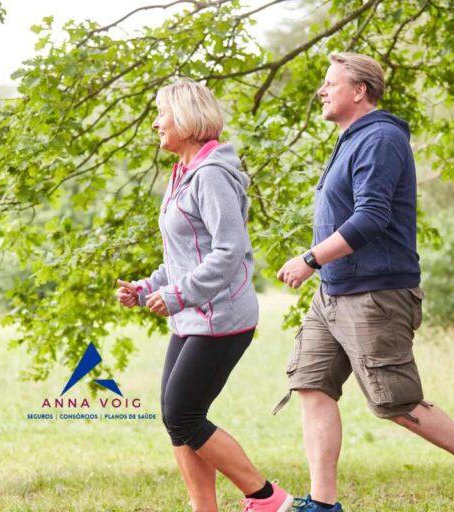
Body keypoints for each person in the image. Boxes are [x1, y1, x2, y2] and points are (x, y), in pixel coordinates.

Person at [274, 52, 454, 512]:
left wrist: (309, 259)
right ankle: (324, 503)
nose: (321, 91)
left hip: (375, 292)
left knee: (396, 402)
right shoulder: (350, 139)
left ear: (359, 90)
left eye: (330, 83)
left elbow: (371, 218)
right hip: (335, 292)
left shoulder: (380, 137)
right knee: (310, 383)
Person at [115, 78, 293, 512]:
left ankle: (267, 498)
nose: (156, 123)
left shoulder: (211, 175)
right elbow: (184, 256)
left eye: (163, 114)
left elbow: (229, 252)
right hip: (193, 316)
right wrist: (147, 288)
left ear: (188, 120)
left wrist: (178, 295)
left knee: (182, 414)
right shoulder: (184, 173)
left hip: (222, 317)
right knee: (177, 418)